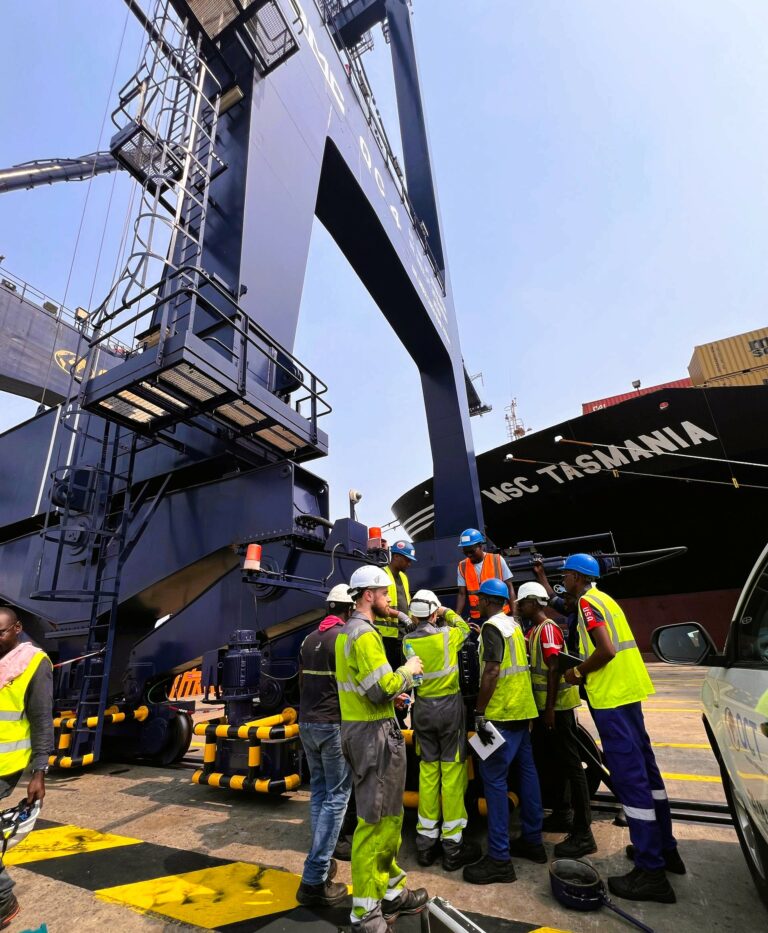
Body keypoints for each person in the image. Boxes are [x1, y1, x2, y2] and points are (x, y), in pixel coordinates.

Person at [561, 553, 685, 903]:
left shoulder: (587, 604)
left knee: (630, 780)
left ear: (577, 577)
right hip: (629, 692)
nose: (563, 581)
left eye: (566, 575)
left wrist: (577, 672)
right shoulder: (606, 599)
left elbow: (606, 649)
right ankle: (665, 849)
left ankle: (650, 871)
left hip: (612, 698)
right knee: (648, 774)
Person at [336, 566, 428, 931]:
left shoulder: (348, 633)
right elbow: (379, 688)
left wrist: (394, 696)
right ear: (368, 595)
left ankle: (391, 891)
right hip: (373, 736)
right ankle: (364, 914)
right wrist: (408, 670)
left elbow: (367, 688)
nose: (390, 599)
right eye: (385, 593)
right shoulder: (364, 635)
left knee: (389, 819)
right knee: (373, 825)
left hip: (367, 728)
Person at [463, 579, 544, 885]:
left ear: (486, 600)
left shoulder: (491, 627)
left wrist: (479, 711)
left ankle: (499, 859)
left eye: (479, 598)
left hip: (500, 713)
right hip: (523, 710)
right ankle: (533, 841)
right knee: (527, 773)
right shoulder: (513, 625)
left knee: (493, 780)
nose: (477, 602)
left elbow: (492, 671)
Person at [402, 590, 480, 872]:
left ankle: (425, 845)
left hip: (422, 711)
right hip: (449, 712)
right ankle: (452, 846)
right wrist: (446, 611)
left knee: (428, 773)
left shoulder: (407, 641)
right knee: (452, 774)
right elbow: (464, 628)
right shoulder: (448, 636)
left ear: (414, 616)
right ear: (434, 613)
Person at [517, 581, 595, 858]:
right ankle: (563, 813)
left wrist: (549, 708)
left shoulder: (547, 628)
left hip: (557, 708)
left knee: (572, 765)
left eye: (522, 603)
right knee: (555, 761)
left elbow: (553, 668)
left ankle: (584, 832)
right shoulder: (535, 630)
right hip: (547, 708)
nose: (519, 607)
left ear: (533, 603)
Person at [296, 585, 355, 908]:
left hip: (307, 723)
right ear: (348, 610)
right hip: (332, 725)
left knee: (319, 793)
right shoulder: (343, 639)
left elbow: (302, 682)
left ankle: (323, 859)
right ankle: (314, 877)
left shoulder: (308, 639)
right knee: (337, 797)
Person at [0, 607, 53, 929]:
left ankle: (3, 901)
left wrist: (39, 772)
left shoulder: (33, 663)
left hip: (5, 764)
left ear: (17, 628)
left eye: (0, 632)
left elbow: (42, 719)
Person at [373, 540, 417, 672]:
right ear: (396, 556)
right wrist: (401, 615)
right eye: (407, 560)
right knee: (391, 671)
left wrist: (413, 619)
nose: (409, 564)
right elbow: (376, 604)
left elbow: (406, 601)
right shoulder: (381, 575)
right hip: (387, 636)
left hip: (403, 634)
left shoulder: (404, 577)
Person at [455, 529, 515, 622]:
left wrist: (515, 615)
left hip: (500, 614)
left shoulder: (497, 560)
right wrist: (456, 617)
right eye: (465, 552)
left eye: (471, 551)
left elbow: (509, 587)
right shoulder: (462, 566)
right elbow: (462, 594)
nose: (469, 555)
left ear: (480, 546)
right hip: (478, 617)